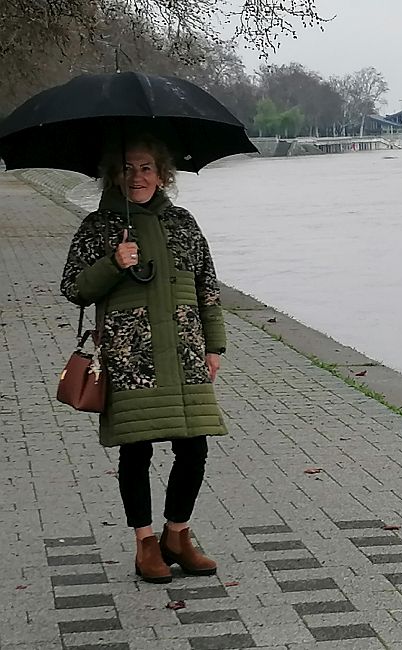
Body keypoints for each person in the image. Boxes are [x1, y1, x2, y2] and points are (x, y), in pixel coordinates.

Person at [60, 133, 227, 584]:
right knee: (136, 449)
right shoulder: (98, 226)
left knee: (194, 447)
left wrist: (214, 345)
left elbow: (208, 287)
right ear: (114, 174)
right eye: (128, 168)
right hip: (130, 357)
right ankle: (145, 543)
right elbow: (74, 287)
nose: (138, 177)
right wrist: (114, 262)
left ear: (163, 174)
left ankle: (178, 535)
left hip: (186, 353)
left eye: (147, 167)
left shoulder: (184, 223)